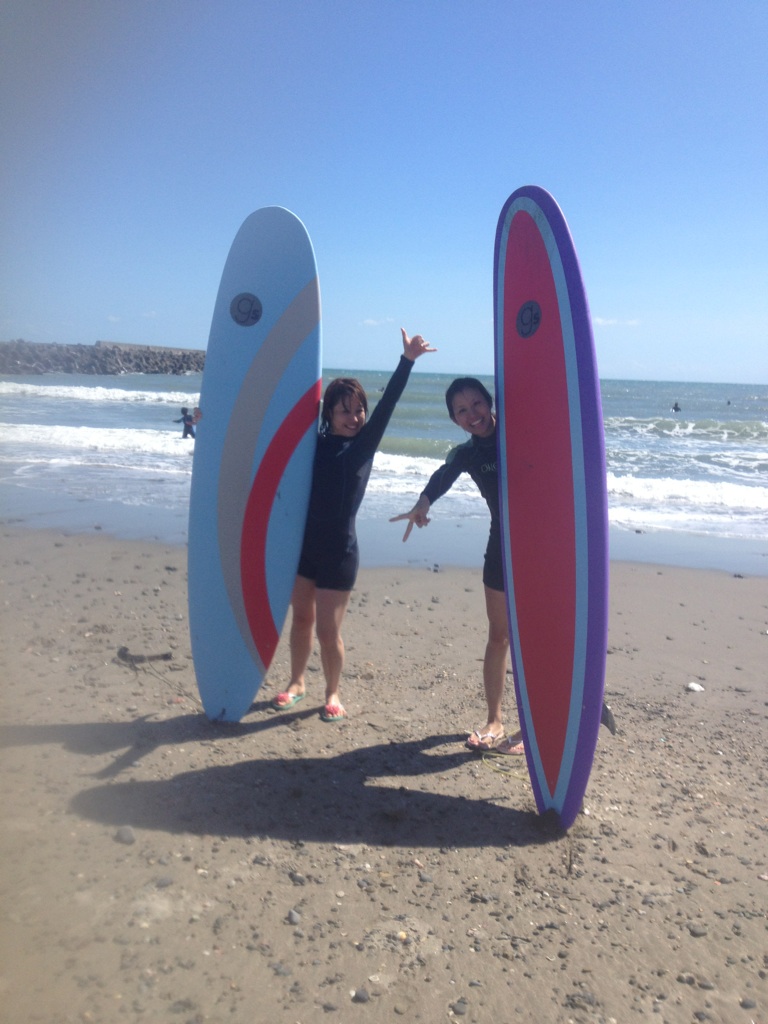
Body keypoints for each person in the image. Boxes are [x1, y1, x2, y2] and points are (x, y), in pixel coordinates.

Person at [271, 328, 436, 722]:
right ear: (328, 413)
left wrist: (407, 361)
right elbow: (272, 432)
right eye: (344, 410)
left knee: (328, 631)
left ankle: (332, 692)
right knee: (301, 619)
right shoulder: (311, 444)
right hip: (304, 548)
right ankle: (297, 682)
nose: (354, 417)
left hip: (340, 552)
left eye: (359, 409)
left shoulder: (363, 446)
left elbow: (388, 404)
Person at [390, 377, 524, 755]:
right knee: (498, 636)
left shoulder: (519, 432)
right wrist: (422, 504)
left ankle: (539, 721)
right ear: (454, 420)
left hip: (539, 548)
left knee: (533, 639)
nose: (472, 414)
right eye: (461, 410)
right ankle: (495, 721)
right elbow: (442, 475)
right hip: (501, 547)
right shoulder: (467, 453)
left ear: (489, 401)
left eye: (476, 403)